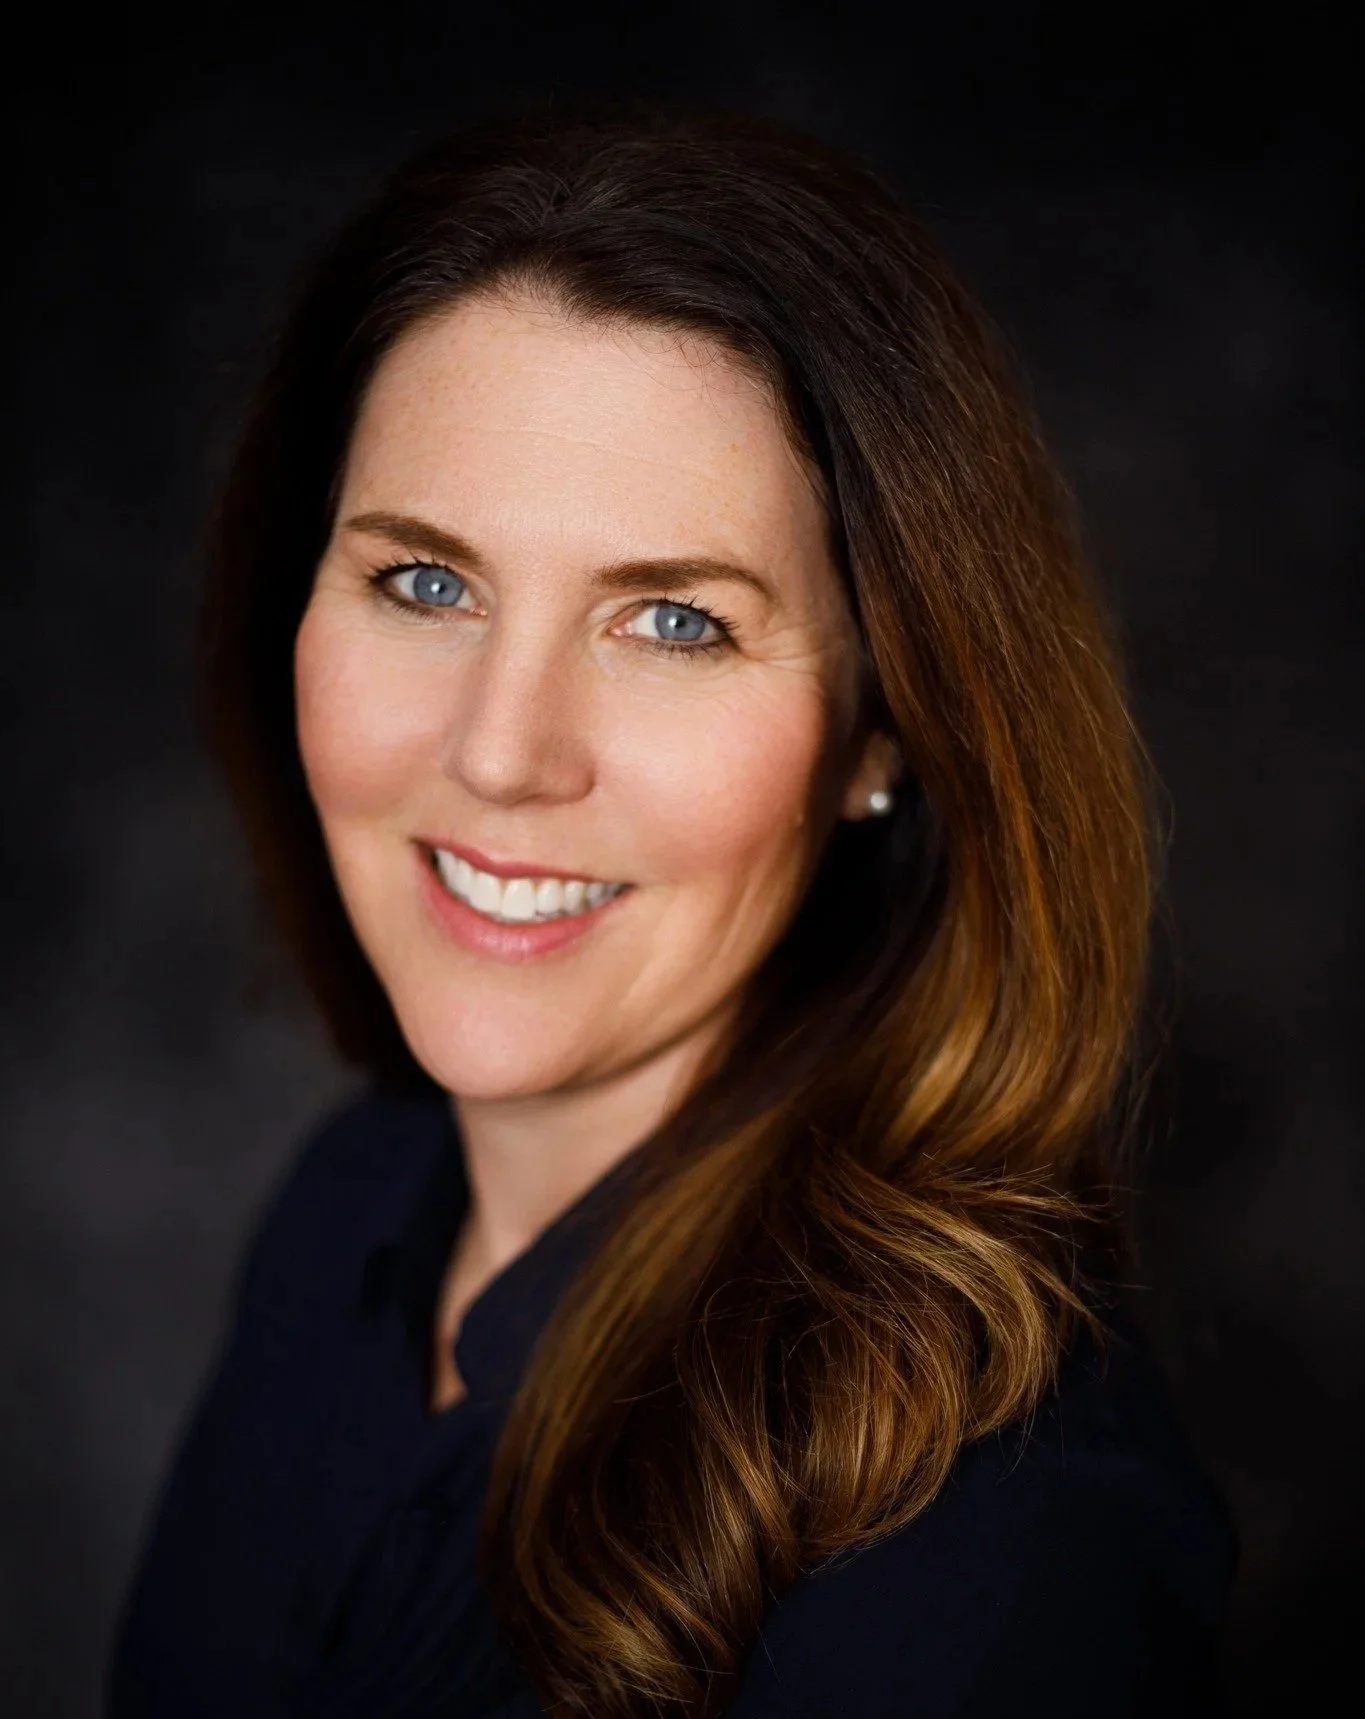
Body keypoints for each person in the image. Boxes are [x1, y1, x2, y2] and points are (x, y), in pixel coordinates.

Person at [108, 107, 1235, 1717]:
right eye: (425, 583)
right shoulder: (350, 1213)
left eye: (672, 622)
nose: (501, 752)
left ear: (882, 732)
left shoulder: (988, 1554)